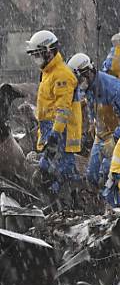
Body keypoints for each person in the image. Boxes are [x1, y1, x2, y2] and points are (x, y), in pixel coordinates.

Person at [66, 53, 120, 190]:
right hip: (101, 136)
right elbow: (93, 107)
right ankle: (95, 203)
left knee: (107, 173)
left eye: (78, 79)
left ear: (88, 73)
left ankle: (113, 203)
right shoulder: (88, 88)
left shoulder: (113, 88)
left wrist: (115, 138)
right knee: (92, 176)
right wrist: (93, 124)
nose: (77, 84)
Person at [27, 30, 83, 195]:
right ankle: (59, 208)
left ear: (49, 52)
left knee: (60, 175)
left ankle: (70, 208)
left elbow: (63, 110)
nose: (36, 59)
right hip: (50, 131)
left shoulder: (62, 75)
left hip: (61, 134)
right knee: (48, 175)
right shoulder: (47, 73)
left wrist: (54, 135)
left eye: (38, 55)